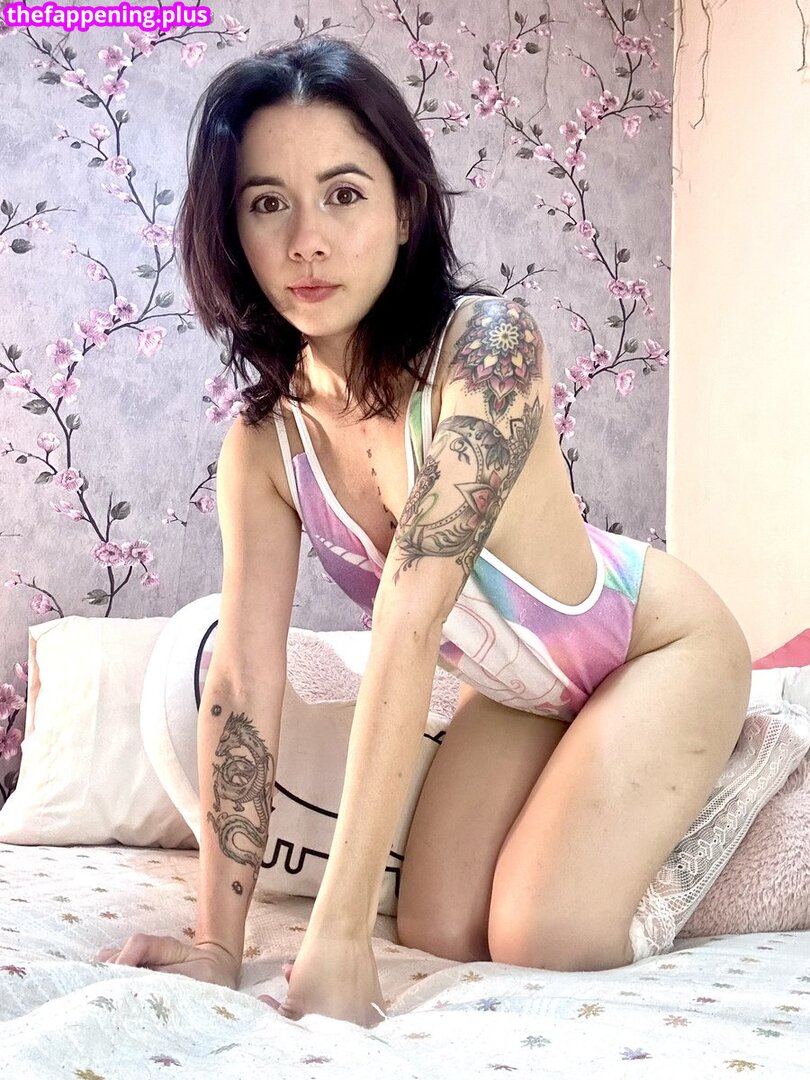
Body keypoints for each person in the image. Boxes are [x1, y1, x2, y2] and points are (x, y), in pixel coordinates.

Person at [96, 37, 756, 1027]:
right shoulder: (265, 445)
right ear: (234, 230)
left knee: (542, 934)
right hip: (525, 693)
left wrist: (338, 937)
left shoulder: (487, 349)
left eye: (344, 194)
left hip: (656, 645)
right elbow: (241, 683)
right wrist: (216, 947)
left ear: (404, 209)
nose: (307, 240)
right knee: (440, 928)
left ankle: (752, 774)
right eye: (268, 203)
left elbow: (409, 619)